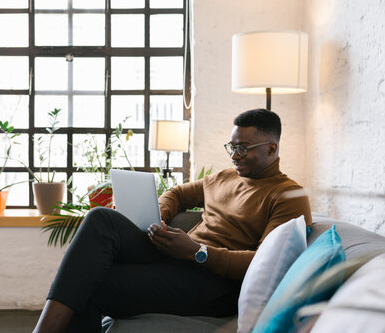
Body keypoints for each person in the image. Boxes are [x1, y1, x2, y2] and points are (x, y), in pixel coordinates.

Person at [33, 109, 312, 333]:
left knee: (91, 283)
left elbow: (264, 261)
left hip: (214, 282)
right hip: (181, 255)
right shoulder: (224, 177)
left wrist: (197, 252)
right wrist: (159, 217)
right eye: (232, 146)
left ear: (272, 149)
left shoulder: (287, 195)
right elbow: (177, 193)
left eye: (244, 148)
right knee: (101, 219)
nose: (235, 155)